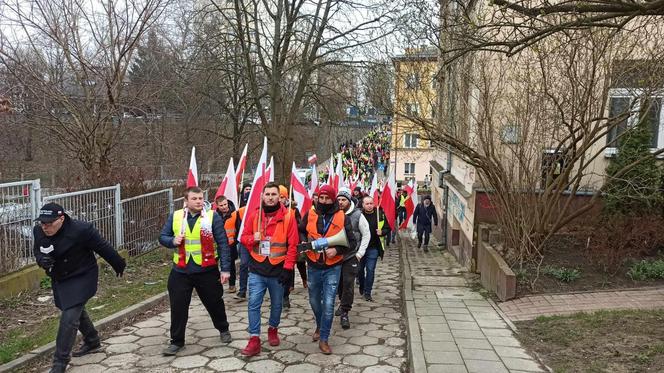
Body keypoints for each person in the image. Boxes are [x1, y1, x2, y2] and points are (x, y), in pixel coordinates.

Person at [33, 203, 126, 373]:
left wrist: (118, 263)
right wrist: (42, 260)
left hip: (83, 275)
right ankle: (92, 340)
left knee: (69, 317)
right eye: (42, 223)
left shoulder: (81, 230)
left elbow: (102, 247)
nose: (45, 227)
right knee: (71, 308)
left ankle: (59, 363)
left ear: (61, 219)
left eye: (49, 223)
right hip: (60, 277)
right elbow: (38, 251)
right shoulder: (38, 231)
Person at [159, 187, 233, 356]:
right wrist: (172, 240)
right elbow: (162, 237)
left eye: (201, 198)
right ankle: (177, 341)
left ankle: (223, 329)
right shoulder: (176, 216)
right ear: (186, 201)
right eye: (195, 198)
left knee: (214, 303)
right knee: (178, 307)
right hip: (181, 271)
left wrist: (226, 269)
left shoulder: (212, 216)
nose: (199, 201)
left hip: (206, 270)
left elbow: (223, 243)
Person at [239, 182, 299, 357]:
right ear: (262, 196)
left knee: (277, 304)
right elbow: (243, 238)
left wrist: (288, 269)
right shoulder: (254, 215)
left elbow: (293, 246)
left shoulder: (288, 217)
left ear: (279, 197)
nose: (271, 197)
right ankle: (254, 338)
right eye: (268, 194)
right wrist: (253, 239)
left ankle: (273, 328)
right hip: (257, 268)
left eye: (274, 194)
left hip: (278, 270)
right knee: (253, 303)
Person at [299, 184, 356, 354]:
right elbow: (301, 230)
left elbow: (352, 242)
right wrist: (304, 241)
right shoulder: (310, 213)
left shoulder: (342, 216)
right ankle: (320, 324)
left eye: (327, 198)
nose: (323, 201)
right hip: (313, 264)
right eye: (321, 198)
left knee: (329, 303)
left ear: (333, 200)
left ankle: (324, 338)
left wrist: (337, 250)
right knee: (314, 301)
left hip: (333, 266)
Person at [335, 187, 370, 329]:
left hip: (351, 256)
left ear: (349, 201)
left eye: (343, 200)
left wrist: (359, 254)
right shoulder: (334, 214)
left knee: (348, 284)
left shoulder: (357, 215)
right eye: (339, 200)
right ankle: (342, 303)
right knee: (338, 284)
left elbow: (366, 234)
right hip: (336, 256)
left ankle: (345, 312)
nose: (341, 202)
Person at [358, 195, 390, 302]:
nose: (369, 206)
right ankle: (362, 285)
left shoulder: (379, 214)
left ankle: (368, 292)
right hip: (360, 248)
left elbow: (387, 227)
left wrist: (382, 232)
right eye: (367, 204)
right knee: (359, 270)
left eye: (371, 203)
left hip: (373, 248)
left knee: (370, 270)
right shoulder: (359, 215)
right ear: (363, 205)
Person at [224, 200, 248, 299]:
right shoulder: (241, 211)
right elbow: (233, 226)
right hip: (244, 241)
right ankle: (242, 291)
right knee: (244, 264)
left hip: (261, 242)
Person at [216, 196, 239, 293]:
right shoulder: (215, 215)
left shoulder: (235, 214)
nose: (224, 207)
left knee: (231, 265)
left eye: (225, 204)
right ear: (217, 206)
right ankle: (217, 282)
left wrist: (235, 240)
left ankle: (232, 284)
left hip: (231, 244)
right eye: (221, 205)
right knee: (214, 264)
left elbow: (238, 228)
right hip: (218, 245)